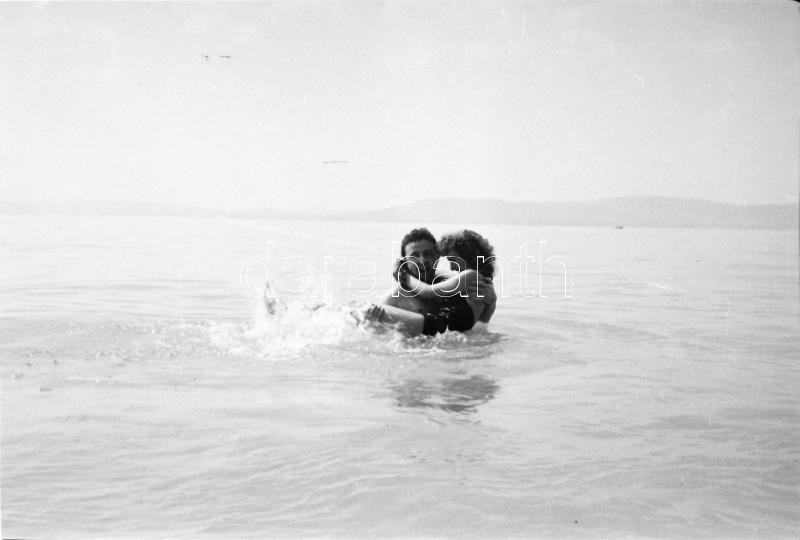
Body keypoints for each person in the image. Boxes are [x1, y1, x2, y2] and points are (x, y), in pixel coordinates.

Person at [364, 229, 496, 336]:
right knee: (368, 311)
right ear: (405, 261)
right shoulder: (395, 298)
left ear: (437, 257)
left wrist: (405, 276)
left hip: (438, 332)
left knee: (361, 309)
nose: (422, 260)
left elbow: (480, 325)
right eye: (415, 256)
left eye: (428, 254)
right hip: (432, 341)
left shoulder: (459, 280)